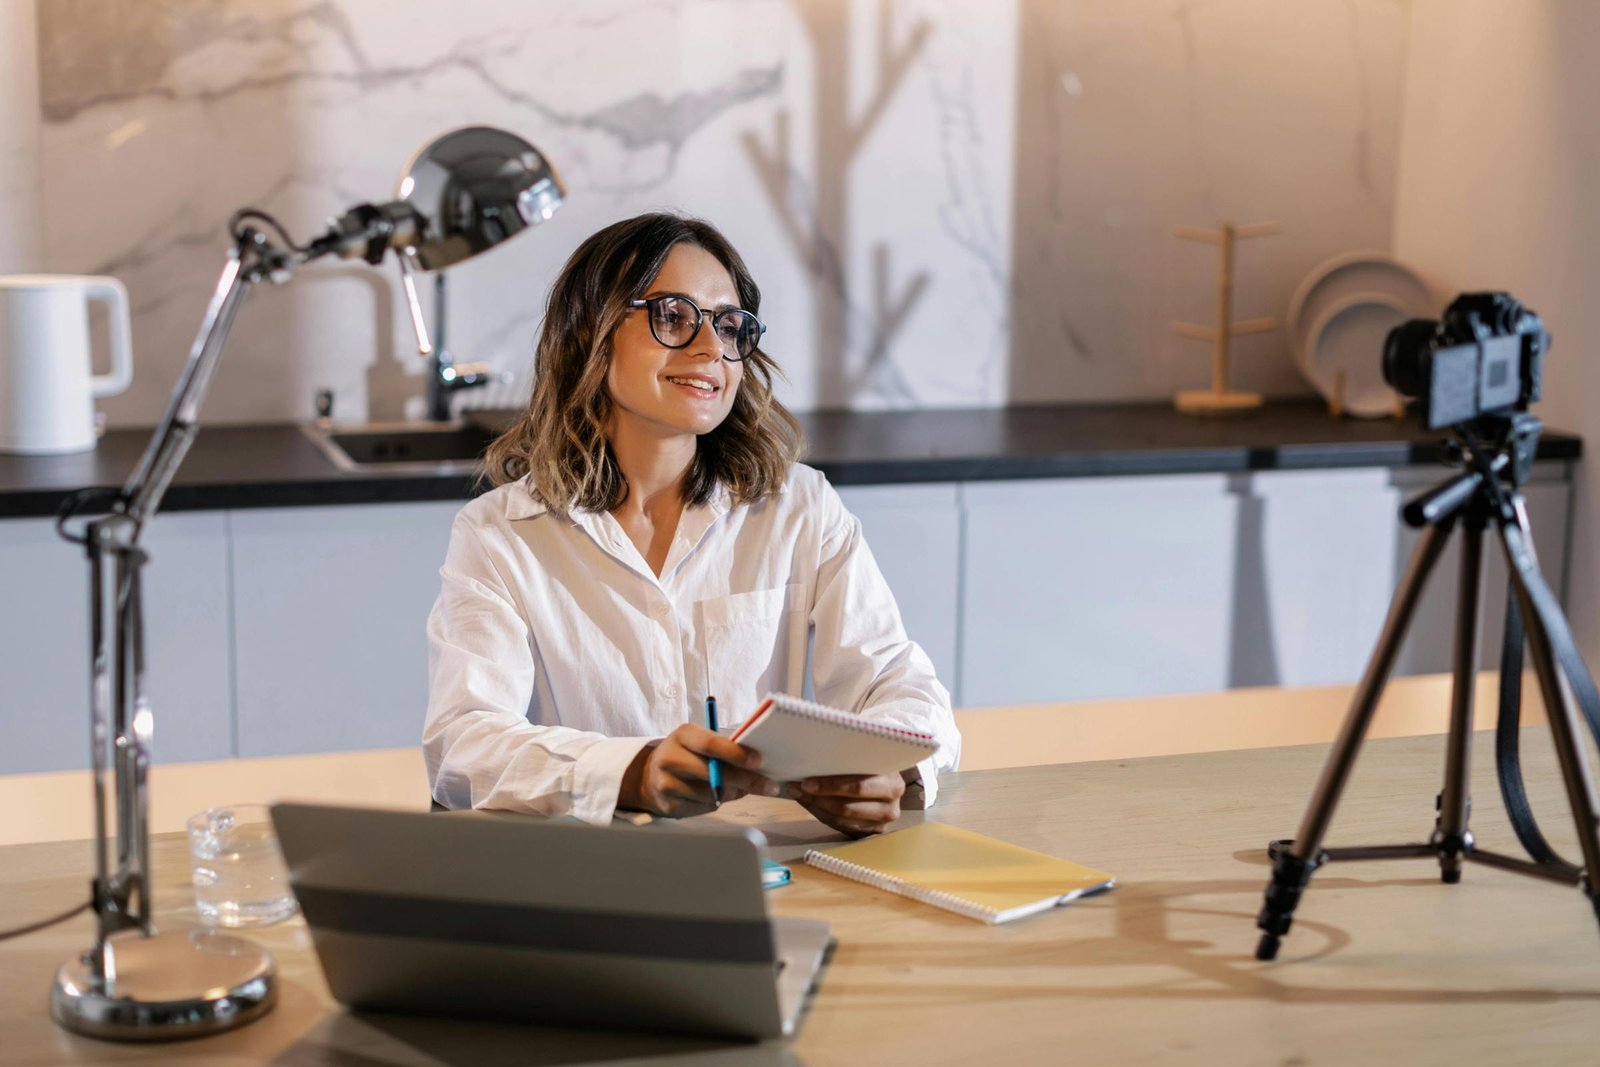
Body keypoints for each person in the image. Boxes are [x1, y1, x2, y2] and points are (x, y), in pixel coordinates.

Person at [423, 212, 960, 836]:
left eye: (728, 326)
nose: (710, 349)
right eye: (673, 316)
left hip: (764, 864)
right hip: (585, 869)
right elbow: (463, 744)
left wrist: (889, 769)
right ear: (588, 333)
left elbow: (899, 683)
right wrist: (634, 773)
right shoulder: (499, 534)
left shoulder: (800, 507)